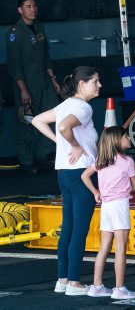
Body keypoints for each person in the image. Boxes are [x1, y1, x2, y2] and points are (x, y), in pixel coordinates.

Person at [31, 66, 101, 295]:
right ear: (82, 84)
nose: (99, 85)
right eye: (95, 81)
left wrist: (59, 143)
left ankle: (62, 279)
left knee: (68, 227)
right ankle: (74, 283)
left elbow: (37, 120)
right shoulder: (83, 107)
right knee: (79, 229)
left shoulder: (65, 105)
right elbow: (63, 127)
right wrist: (74, 145)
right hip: (81, 173)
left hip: (64, 172)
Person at [81, 126, 135, 300]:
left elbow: (84, 176)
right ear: (117, 140)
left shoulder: (101, 160)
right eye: (126, 136)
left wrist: (96, 192)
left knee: (104, 246)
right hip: (120, 205)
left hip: (106, 206)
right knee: (120, 247)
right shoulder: (127, 161)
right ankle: (119, 288)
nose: (129, 138)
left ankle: (97, 286)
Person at [7, 0, 61, 173]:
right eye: (28, 6)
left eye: (34, 6)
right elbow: (14, 65)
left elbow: (46, 56)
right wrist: (23, 89)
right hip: (26, 83)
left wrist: (53, 79)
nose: (33, 9)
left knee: (50, 114)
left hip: (44, 81)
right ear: (20, 10)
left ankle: (44, 154)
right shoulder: (15, 33)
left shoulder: (39, 27)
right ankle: (27, 160)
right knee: (27, 119)